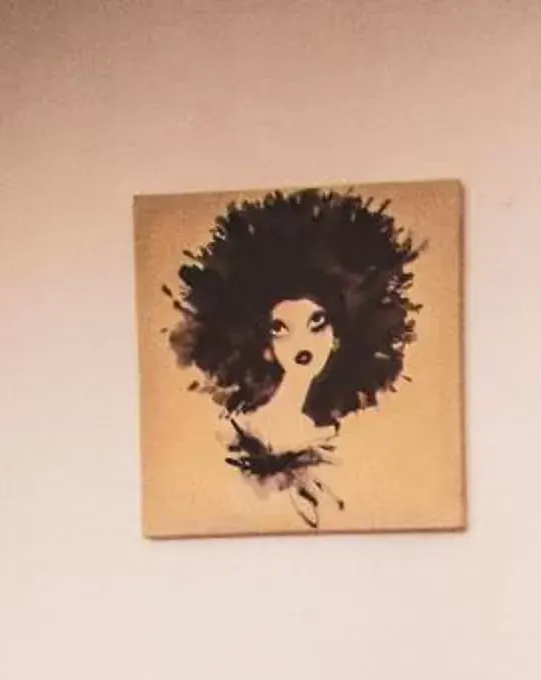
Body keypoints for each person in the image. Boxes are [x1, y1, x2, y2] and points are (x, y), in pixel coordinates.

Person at [163, 189, 419, 524]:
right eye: (282, 328)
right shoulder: (233, 434)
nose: (303, 343)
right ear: (263, 345)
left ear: (339, 336)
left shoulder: (326, 438)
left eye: (317, 323)